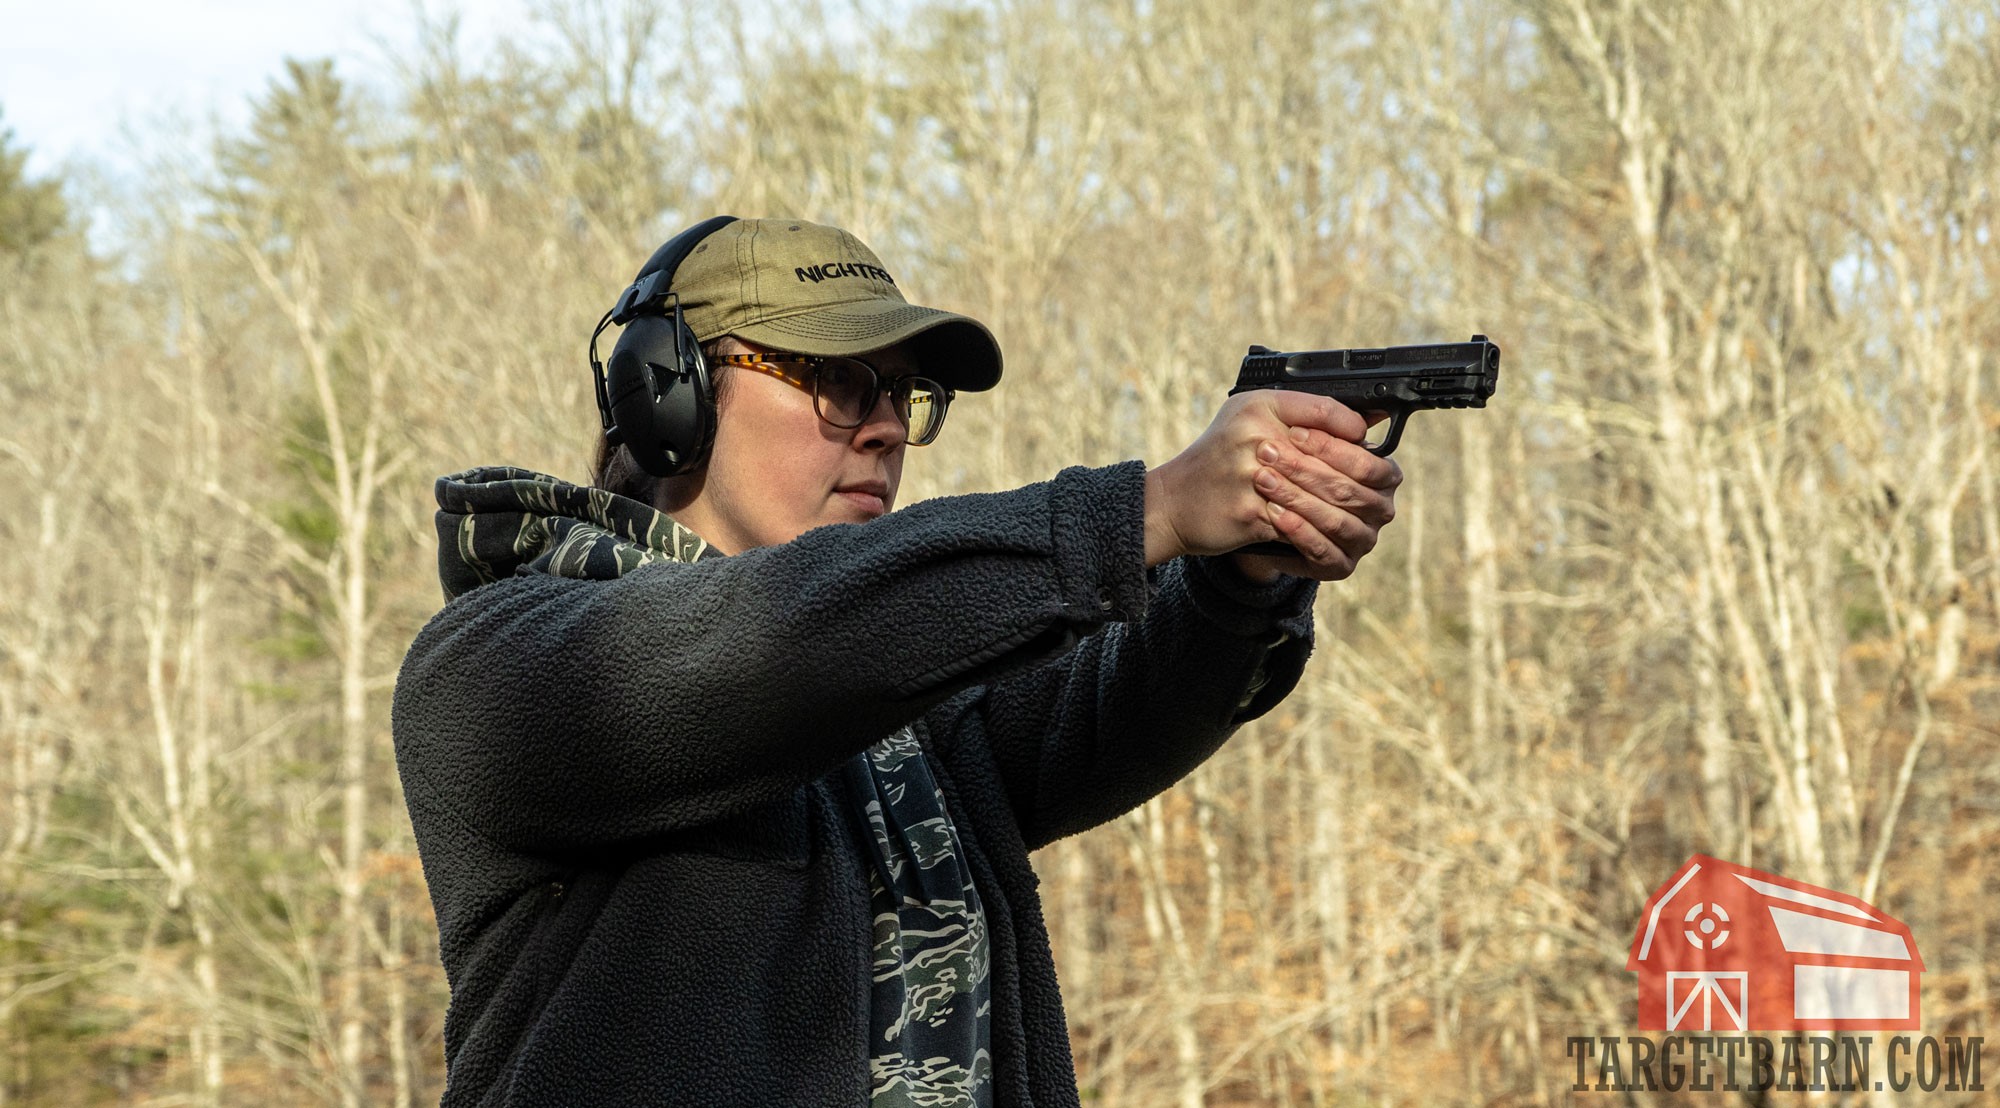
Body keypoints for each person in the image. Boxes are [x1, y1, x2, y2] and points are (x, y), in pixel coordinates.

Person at [391, 217, 1400, 1107]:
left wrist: (1238, 578)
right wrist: (1152, 506)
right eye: (832, 383)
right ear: (669, 394)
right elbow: (758, 646)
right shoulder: (492, 668)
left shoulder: (900, 709)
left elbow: (1108, 705)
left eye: (899, 393)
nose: (882, 426)